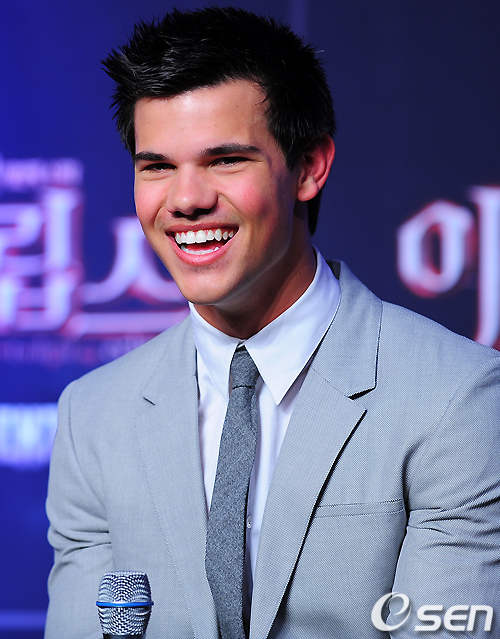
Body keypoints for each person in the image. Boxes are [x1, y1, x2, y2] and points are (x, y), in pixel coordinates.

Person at [45, 7, 500, 639]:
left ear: (310, 167)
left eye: (226, 160)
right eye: (157, 166)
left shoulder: (458, 396)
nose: (186, 199)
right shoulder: (93, 414)